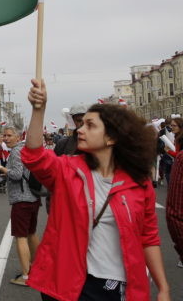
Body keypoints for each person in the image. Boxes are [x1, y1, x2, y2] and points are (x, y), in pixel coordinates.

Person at [22, 79, 170, 301]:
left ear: (111, 137)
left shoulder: (139, 183)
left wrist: (163, 288)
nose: (80, 130)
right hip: (68, 284)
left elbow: (148, 238)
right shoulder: (68, 170)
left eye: (90, 125)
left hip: (117, 285)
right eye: (81, 124)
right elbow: (34, 155)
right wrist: (38, 109)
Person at [0, 126, 40, 287]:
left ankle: (26, 276)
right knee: (31, 233)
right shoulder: (26, 149)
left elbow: (17, 174)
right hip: (33, 197)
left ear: (18, 137)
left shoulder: (17, 151)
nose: (5, 138)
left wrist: (0, 168)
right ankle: (38, 270)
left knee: (21, 237)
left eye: (9, 135)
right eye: (4, 135)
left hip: (22, 199)